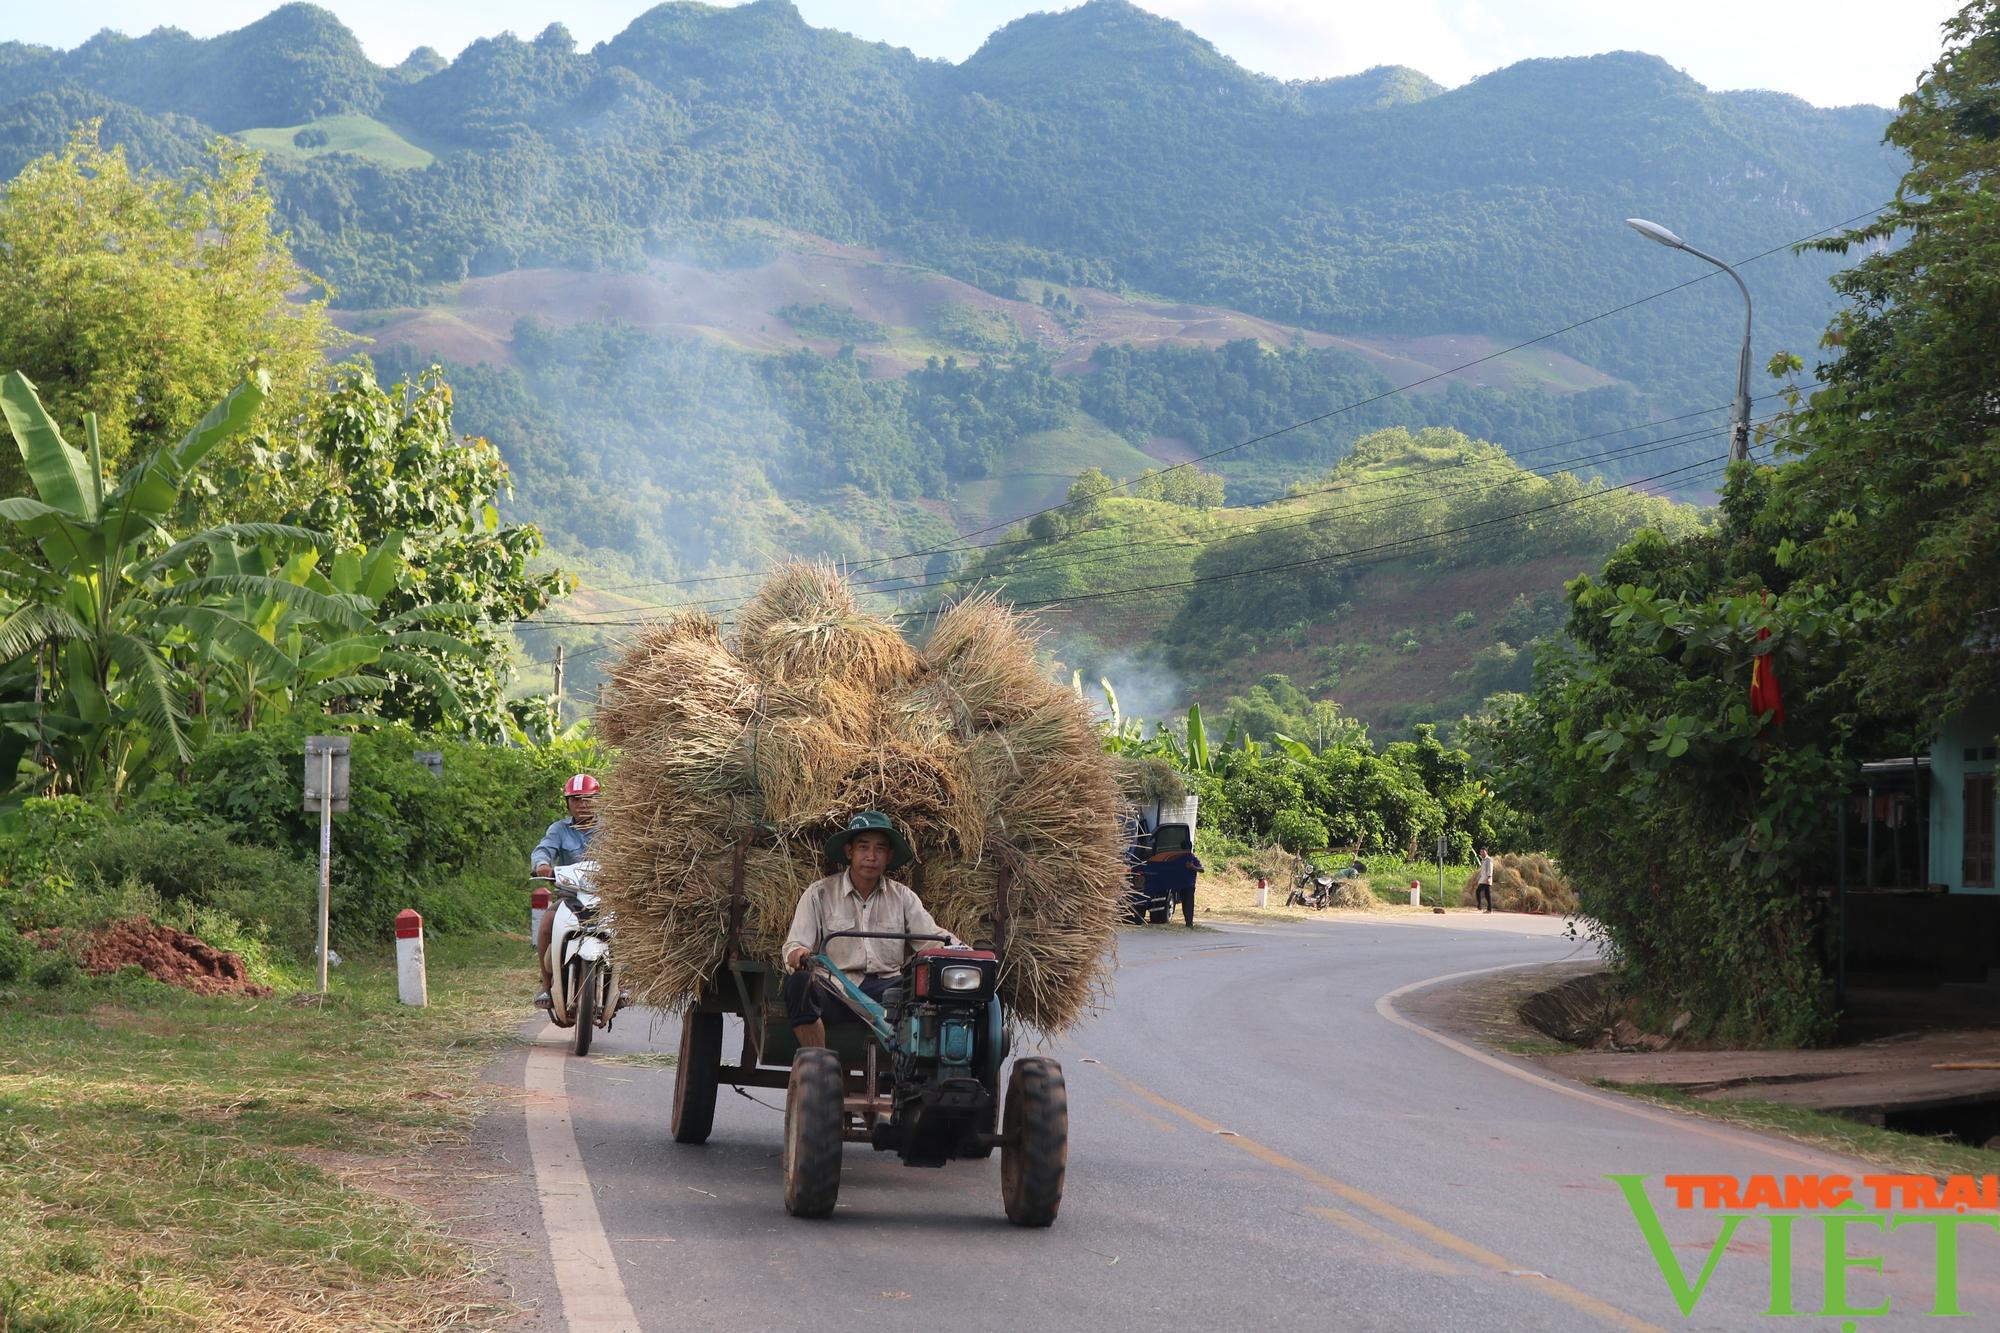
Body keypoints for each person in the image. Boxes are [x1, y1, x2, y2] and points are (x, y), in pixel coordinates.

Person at [782, 811, 960, 1048]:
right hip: (836, 990)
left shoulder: (902, 897)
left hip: (889, 992)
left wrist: (959, 950)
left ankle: (921, 1064)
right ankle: (817, 1059)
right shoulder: (819, 893)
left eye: (879, 849)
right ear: (849, 852)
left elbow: (931, 937)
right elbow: (795, 945)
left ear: (889, 856)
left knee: (933, 988)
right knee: (799, 985)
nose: (871, 856)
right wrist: (798, 955)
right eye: (863, 847)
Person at [530, 773, 600, 1009]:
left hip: (606, 898)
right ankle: (546, 985)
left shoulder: (612, 828)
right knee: (547, 922)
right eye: (576, 799)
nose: (582, 804)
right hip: (569, 898)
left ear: (598, 800)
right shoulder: (559, 829)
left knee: (627, 926)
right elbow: (544, 849)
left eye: (588, 799)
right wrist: (542, 865)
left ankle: (624, 982)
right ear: (568, 803)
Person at [1150, 846, 1204, 927]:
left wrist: (1193, 867)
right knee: (1186, 904)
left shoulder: (1191, 858)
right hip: (1182, 885)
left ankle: (1189, 923)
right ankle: (1188, 922)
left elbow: (1202, 869)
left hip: (1188, 885)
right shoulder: (1180, 858)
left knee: (1188, 903)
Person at [1475, 846, 1495, 913]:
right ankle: (1489, 909)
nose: (1482, 853)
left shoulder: (1489, 860)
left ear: (1486, 852)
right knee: (1487, 894)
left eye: (1483, 852)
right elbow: (1482, 871)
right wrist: (1478, 878)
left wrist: (1489, 877)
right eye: (1481, 852)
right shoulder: (1483, 860)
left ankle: (1480, 906)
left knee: (1479, 891)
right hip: (1483, 879)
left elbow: (1490, 869)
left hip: (1486, 879)